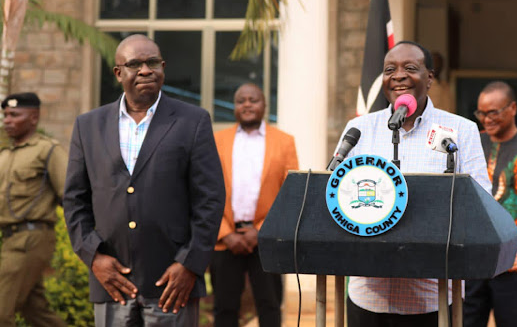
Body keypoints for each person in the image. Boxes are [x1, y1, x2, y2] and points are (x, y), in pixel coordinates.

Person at [63, 34, 225, 327]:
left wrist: (190, 264)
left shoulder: (193, 121)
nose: (145, 70)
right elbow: (75, 200)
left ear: (163, 67)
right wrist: (94, 257)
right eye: (134, 64)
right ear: (118, 73)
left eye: (152, 63)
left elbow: (210, 200)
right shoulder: (88, 126)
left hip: (172, 285)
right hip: (112, 282)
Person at [341, 41, 491, 326]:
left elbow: (480, 199)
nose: (398, 75)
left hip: (430, 297)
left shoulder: (461, 130)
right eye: (389, 70)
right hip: (367, 295)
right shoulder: (359, 129)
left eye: (410, 68)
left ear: (430, 78)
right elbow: (339, 193)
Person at [210, 83, 298, 327]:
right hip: (226, 239)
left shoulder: (284, 142)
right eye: (241, 100)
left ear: (264, 105)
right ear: (235, 107)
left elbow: (290, 194)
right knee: (224, 310)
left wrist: (259, 232)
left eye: (253, 100)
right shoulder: (217, 141)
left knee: (269, 308)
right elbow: (205, 191)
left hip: (266, 238)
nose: (247, 104)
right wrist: (226, 234)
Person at [464, 81, 517, 327]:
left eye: (493, 112)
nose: (486, 119)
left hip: (516, 264)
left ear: (513, 108)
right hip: (472, 261)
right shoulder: (471, 143)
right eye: (481, 113)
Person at [0, 92, 67, 327]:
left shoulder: (47, 150)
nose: (7, 120)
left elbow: (69, 194)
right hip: (10, 239)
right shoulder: (5, 156)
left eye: (14, 115)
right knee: (36, 312)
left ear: (33, 117)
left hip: (31, 238)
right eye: (5, 115)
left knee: (1, 312)